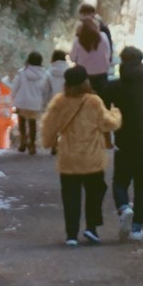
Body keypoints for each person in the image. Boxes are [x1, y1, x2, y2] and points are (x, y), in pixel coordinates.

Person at [39, 65, 120, 244]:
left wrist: (48, 142)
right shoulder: (93, 101)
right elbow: (108, 124)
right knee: (95, 192)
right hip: (92, 158)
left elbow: (48, 126)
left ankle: (71, 235)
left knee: (70, 197)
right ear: (86, 82)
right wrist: (115, 113)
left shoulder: (59, 101)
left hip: (68, 158)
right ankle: (91, 228)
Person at [107, 46, 143, 240]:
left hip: (124, 140)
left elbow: (104, 102)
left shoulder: (115, 87)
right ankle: (137, 228)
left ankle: (123, 207)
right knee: (142, 186)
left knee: (120, 181)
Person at [67, 4, 116, 98]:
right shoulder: (103, 36)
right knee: (101, 100)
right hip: (102, 74)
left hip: (84, 76)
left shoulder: (78, 40)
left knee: (85, 100)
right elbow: (108, 53)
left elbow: (72, 58)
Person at [8, 51, 49, 154]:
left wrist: (11, 98)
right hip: (35, 103)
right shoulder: (44, 74)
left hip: (22, 102)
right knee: (32, 123)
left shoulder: (21, 73)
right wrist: (44, 102)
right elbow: (45, 90)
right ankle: (32, 144)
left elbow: (15, 87)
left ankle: (23, 141)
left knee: (21, 121)